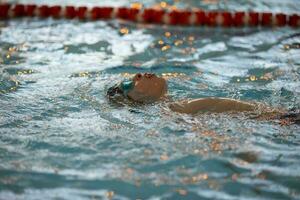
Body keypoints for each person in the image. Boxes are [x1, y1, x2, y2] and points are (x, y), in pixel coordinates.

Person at [107, 73, 299, 124]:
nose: (142, 74)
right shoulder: (172, 109)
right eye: (135, 78)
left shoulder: (176, 104)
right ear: (136, 98)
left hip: (280, 116)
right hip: (279, 120)